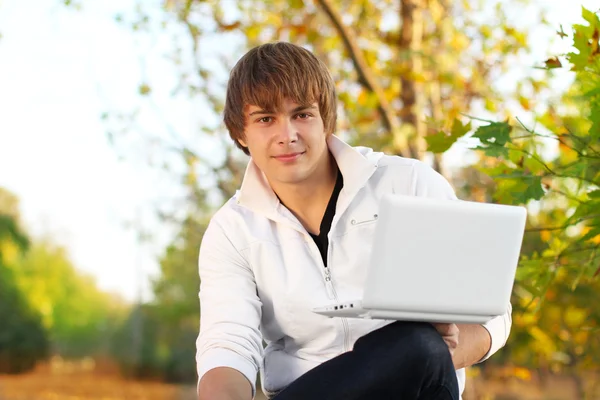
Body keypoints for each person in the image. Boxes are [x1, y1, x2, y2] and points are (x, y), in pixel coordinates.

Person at [195, 42, 511, 400]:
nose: (288, 135)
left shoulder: (408, 185)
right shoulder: (232, 231)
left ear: (326, 119)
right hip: (306, 391)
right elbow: (228, 344)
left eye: (302, 114)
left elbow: (492, 314)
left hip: (414, 389)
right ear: (240, 132)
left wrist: (442, 350)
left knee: (419, 343)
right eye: (266, 119)